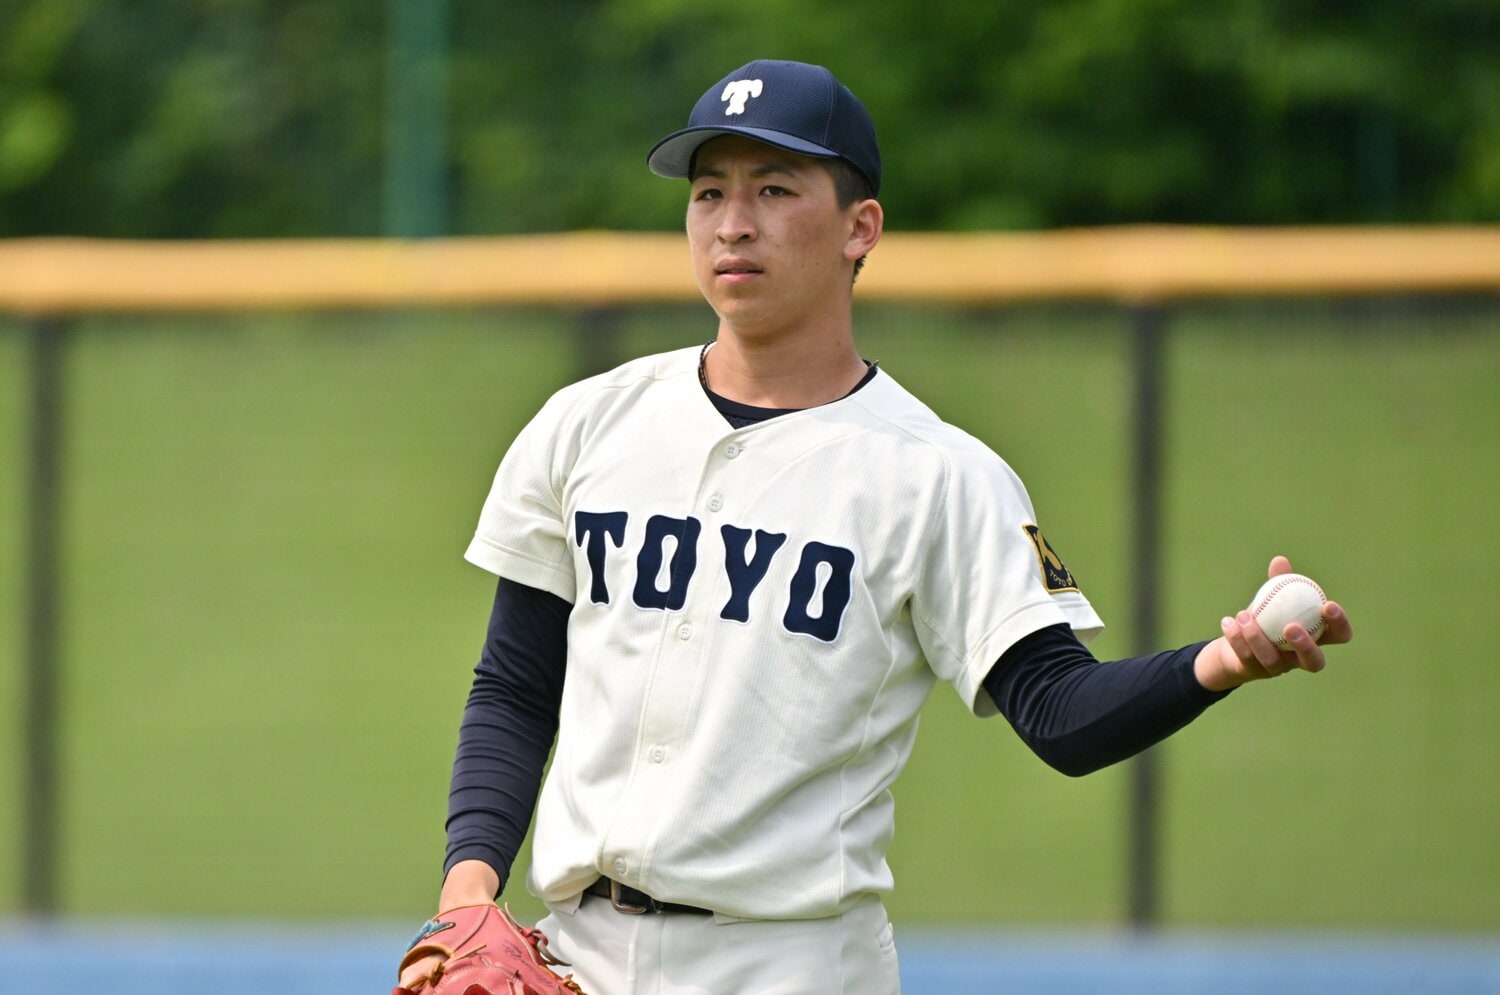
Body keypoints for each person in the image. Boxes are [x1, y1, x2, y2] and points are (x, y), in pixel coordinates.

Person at [397, 59, 1353, 994]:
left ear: (862, 229)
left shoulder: (937, 475)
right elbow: (517, 685)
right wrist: (469, 891)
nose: (733, 223)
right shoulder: (586, 422)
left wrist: (1219, 665)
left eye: (774, 188)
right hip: (574, 955)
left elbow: (1060, 712)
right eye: (708, 193)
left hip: (793, 962)